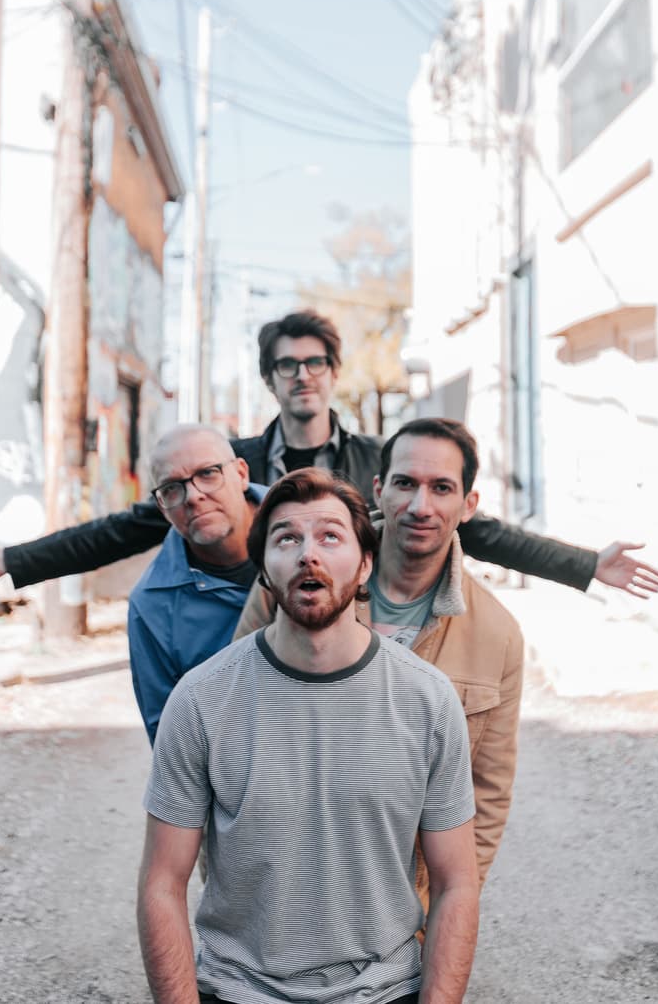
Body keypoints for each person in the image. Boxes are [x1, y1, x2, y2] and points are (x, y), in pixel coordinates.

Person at [0, 308, 658, 601]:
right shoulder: (232, 464)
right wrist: (14, 559)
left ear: (333, 373)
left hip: (360, 645)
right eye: (288, 365)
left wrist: (584, 564)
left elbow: (472, 526)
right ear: (271, 378)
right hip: (252, 649)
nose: (303, 374)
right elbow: (128, 526)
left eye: (315, 362)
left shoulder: (381, 463)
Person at [138, 467, 479, 1004]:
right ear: (266, 571)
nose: (307, 554)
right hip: (238, 990)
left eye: (330, 536)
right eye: (287, 538)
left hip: (386, 991)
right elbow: (162, 882)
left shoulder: (428, 700)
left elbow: (457, 881)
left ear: (365, 564)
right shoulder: (200, 699)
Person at [234, 419, 520, 891]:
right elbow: (233, 723)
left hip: (402, 904)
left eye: (442, 487)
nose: (420, 506)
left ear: (468, 504)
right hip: (279, 885)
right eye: (405, 483)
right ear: (379, 488)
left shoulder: (498, 636)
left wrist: (442, 913)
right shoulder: (297, 584)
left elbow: (486, 797)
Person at [126, 425, 265, 743]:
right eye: (172, 488)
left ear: (241, 473)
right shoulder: (152, 606)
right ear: (162, 506)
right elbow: (170, 741)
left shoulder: (310, 523)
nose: (193, 496)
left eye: (208, 473)